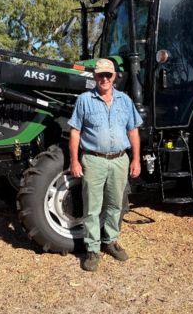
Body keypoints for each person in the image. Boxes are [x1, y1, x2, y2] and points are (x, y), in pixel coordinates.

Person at [68, 58, 143, 272]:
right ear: (94, 76)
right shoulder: (84, 100)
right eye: (100, 74)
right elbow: (75, 131)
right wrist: (74, 160)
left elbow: (133, 130)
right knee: (92, 206)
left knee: (115, 205)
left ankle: (110, 241)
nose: (104, 78)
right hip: (93, 160)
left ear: (114, 76)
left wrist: (136, 159)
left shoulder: (125, 101)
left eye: (108, 75)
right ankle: (92, 248)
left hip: (120, 160)